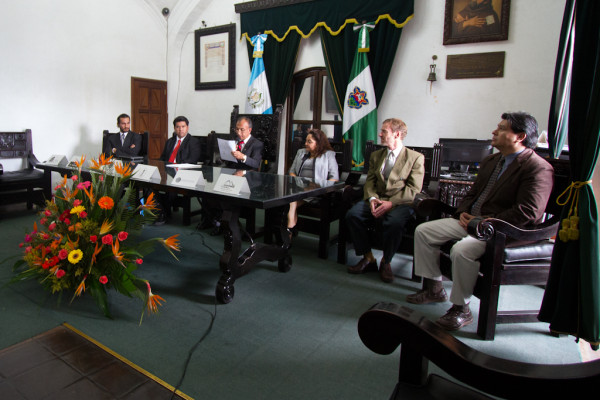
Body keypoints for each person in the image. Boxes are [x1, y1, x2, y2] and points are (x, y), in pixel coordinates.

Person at [406, 112, 554, 331]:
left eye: (502, 128)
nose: (494, 132)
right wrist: (464, 213)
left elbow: (528, 212)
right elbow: (471, 194)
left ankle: (461, 309)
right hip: (473, 222)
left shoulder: (537, 167)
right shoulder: (492, 160)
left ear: (519, 136)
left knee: (461, 251)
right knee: (424, 231)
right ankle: (434, 289)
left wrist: (483, 221)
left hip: (503, 231)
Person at [345, 118, 425, 283]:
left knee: (393, 223)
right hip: (377, 199)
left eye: (384, 131)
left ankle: (386, 261)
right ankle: (368, 258)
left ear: (396, 134)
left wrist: (391, 203)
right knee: (352, 215)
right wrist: (373, 198)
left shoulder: (415, 158)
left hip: (400, 202)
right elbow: (370, 181)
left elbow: (413, 189)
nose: (379, 134)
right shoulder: (376, 155)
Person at [287, 128, 339, 237]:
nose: (305, 144)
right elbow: (292, 171)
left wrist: (322, 188)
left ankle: (290, 231)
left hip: (316, 191)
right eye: (306, 141)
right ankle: (290, 229)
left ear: (319, 143)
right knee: (292, 200)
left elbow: (334, 178)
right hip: (299, 188)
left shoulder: (328, 155)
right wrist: (297, 182)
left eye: (309, 142)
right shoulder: (301, 152)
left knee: (292, 201)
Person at [154, 116, 201, 224]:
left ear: (187, 127)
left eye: (183, 127)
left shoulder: (193, 142)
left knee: (171, 186)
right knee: (149, 184)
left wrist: (176, 166)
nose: (181, 129)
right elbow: (163, 158)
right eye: (178, 127)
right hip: (167, 172)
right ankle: (160, 210)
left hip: (183, 174)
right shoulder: (170, 141)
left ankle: (163, 214)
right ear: (174, 128)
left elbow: (192, 160)